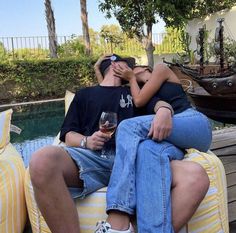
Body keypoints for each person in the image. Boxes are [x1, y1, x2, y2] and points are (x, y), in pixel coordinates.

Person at [29, 54, 209, 233]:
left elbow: (159, 104)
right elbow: (68, 135)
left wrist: (164, 110)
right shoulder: (85, 94)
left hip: (138, 160)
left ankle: (123, 226)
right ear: (114, 65)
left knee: (195, 177)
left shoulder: (134, 90)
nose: (133, 70)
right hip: (95, 160)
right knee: (41, 161)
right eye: (130, 66)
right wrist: (87, 141)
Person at [95, 62, 212, 233]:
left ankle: (118, 217)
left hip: (191, 123)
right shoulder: (136, 88)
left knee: (128, 127)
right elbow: (109, 92)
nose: (127, 73)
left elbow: (140, 100)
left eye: (131, 69)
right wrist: (98, 70)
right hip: (170, 141)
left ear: (143, 68)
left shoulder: (161, 69)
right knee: (146, 150)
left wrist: (132, 77)